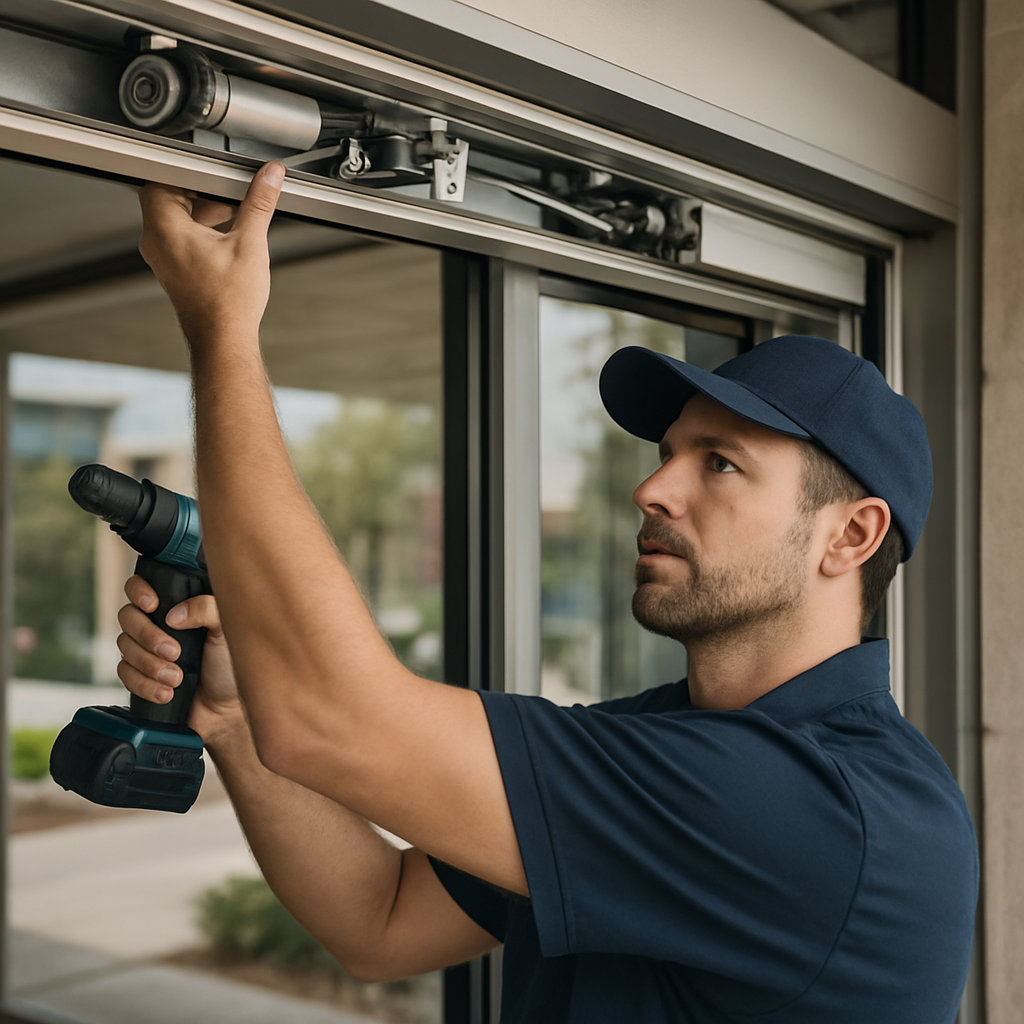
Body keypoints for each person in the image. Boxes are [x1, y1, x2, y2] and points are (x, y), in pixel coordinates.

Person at [117, 162, 978, 1023]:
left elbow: (329, 721)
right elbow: (379, 918)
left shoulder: (833, 812)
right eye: (668, 452)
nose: (653, 489)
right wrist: (230, 717)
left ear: (852, 536)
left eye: (719, 463)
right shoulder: (655, 739)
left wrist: (222, 326)